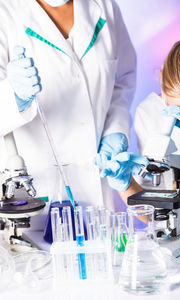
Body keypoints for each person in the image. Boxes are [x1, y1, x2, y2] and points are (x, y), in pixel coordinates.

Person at [0, 0, 147, 228]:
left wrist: (115, 131)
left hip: (102, 196)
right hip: (36, 198)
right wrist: (14, 96)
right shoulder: (5, 12)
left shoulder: (104, 6)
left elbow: (122, 81)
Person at [97, 23, 180, 200]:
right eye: (176, 110)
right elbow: (150, 214)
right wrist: (126, 183)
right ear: (161, 80)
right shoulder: (148, 112)